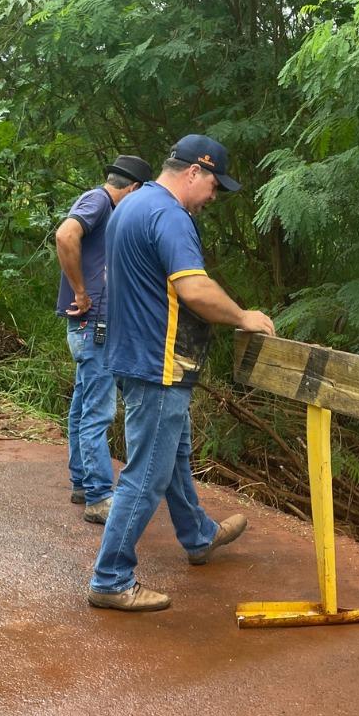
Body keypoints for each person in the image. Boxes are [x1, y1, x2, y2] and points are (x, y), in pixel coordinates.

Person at [87, 135, 275, 612]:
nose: (213, 197)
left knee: (173, 456)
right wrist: (242, 316)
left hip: (132, 354)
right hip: (159, 362)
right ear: (194, 171)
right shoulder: (170, 215)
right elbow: (193, 288)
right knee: (145, 474)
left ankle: (198, 535)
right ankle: (110, 579)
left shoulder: (133, 203)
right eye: (214, 185)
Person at [55, 154, 152, 523]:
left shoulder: (104, 206)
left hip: (90, 328)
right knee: (99, 412)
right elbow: (65, 234)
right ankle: (98, 497)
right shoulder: (98, 200)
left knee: (83, 406)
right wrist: (81, 292)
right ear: (133, 188)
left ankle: (82, 483)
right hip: (93, 325)